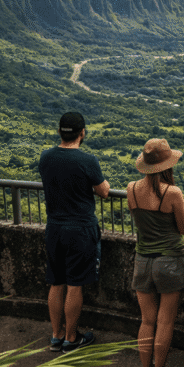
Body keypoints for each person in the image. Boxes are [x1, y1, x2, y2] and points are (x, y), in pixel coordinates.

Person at [38, 111, 110, 353]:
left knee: (56, 283)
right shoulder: (87, 160)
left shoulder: (46, 158)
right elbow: (104, 191)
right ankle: (72, 338)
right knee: (75, 285)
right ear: (82, 133)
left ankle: (56, 335)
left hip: (54, 228)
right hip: (79, 230)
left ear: (59, 132)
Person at [127, 138, 184, 367]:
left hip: (142, 260)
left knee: (147, 320)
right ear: (167, 165)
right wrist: (183, 208)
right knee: (165, 321)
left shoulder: (131, 189)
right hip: (170, 261)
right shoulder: (172, 193)